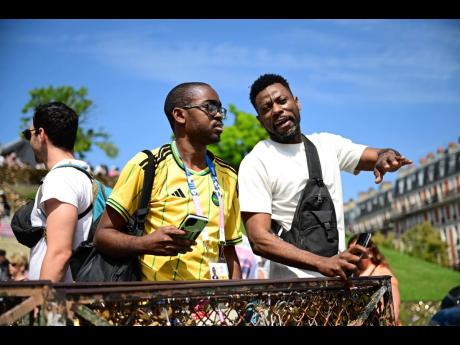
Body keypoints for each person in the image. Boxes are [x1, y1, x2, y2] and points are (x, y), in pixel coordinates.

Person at [238, 73, 412, 280]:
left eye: (281, 101)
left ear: (297, 103)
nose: (276, 110)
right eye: (266, 108)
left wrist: (387, 158)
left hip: (337, 289)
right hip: (289, 296)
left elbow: (377, 154)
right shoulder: (256, 162)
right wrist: (322, 263)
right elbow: (259, 239)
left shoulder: (327, 145)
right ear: (260, 120)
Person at [94, 82, 242, 281]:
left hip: (212, 308)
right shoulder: (148, 165)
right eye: (209, 107)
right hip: (158, 306)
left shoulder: (228, 175)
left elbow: (229, 251)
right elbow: (103, 236)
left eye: (219, 108)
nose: (218, 115)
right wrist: (145, 244)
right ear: (180, 115)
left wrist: (240, 303)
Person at [24, 102, 93, 283]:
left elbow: (59, 254)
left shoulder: (60, 179)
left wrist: (41, 305)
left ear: (41, 134)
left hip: (58, 305)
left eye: (28, 134)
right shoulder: (84, 177)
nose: (28, 140)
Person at [348, 235, 400, 325]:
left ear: (370, 252)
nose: (354, 257)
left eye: (358, 252)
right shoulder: (352, 275)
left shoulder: (382, 273)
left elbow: (393, 313)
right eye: (351, 252)